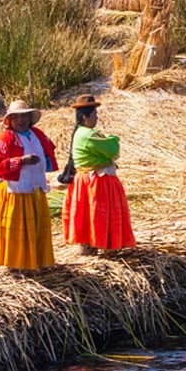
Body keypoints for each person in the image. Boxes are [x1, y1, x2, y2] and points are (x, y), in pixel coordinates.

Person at [0, 100, 58, 269]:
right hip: (14, 190)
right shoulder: (6, 138)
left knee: (34, 227)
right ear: (10, 120)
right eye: (17, 117)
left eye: (25, 116)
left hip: (34, 188)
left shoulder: (37, 135)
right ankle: (15, 263)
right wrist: (21, 161)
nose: (21, 121)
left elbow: (49, 153)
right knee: (17, 229)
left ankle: (34, 260)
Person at [62, 94, 136, 254]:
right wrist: (112, 139)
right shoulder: (88, 135)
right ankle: (103, 246)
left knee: (88, 215)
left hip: (86, 179)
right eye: (95, 114)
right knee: (97, 215)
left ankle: (90, 247)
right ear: (85, 117)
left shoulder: (81, 133)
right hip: (94, 182)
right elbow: (113, 149)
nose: (97, 117)